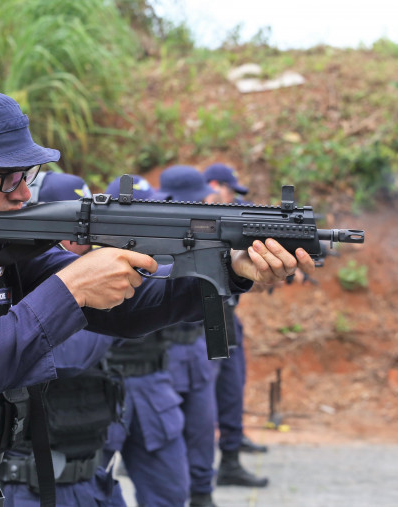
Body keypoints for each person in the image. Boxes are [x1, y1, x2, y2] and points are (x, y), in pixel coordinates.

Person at [0, 88, 313, 507]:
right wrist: (71, 289)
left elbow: (128, 310)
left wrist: (229, 271)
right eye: (8, 179)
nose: (24, 193)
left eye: (29, 176)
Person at [0, 171, 125, 506]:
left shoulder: (95, 276)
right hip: (31, 483)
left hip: (93, 475)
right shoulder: (21, 271)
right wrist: (116, 318)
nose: (81, 239)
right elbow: (69, 356)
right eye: (70, 223)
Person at [102, 175, 193, 507]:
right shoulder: (87, 265)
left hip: (152, 383)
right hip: (96, 388)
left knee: (169, 492)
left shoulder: (164, 260)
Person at [158, 165, 221, 507]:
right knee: (169, 439)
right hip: (164, 352)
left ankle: (202, 494)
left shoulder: (202, 233)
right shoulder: (161, 235)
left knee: (201, 430)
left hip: (195, 348)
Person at [203, 163, 269, 488]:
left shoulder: (229, 215)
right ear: (215, 185)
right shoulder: (200, 218)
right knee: (214, 395)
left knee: (231, 386)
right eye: (230, 190)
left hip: (227, 314)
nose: (232, 198)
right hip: (205, 319)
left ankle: (230, 449)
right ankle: (221, 462)